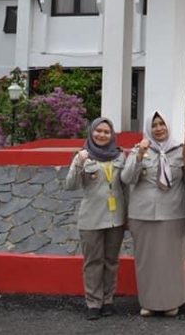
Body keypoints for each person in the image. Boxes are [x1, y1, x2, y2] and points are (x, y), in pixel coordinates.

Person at [121, 111, 185, 317]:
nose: (159, 128)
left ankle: (172, 302)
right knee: (147, 261)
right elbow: (127, 178)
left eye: (162, 124)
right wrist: (138, 156)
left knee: (172, 261)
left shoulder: (180, 151)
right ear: (148, 128)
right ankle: (149, 302)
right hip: (142, 213)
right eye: (154, 125)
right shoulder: (139, 149)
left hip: (173, 212)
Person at [64, 117, 126, 320]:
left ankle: (107, 300)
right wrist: (79, 163)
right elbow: (70, 185)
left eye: (106, 132)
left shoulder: (119, 156)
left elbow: (126, 187)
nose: (101, 135)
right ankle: (93, 302)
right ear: (91, 132)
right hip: (91, 218)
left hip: (115, 218)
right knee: (93, 261)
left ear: (112, 135)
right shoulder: (83, 155)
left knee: (111, 261)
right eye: (98, 131)